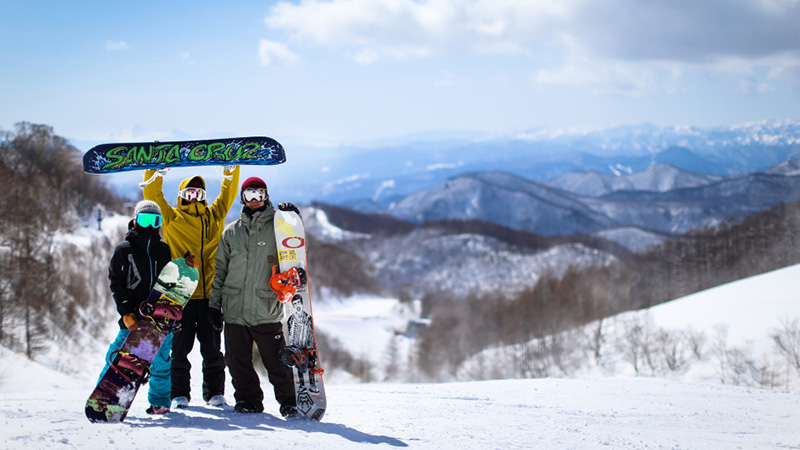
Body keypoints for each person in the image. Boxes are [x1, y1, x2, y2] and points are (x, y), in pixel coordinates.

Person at [142, 165, 240, 408]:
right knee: (180, 350)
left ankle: (215, 394)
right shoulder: (172, 218)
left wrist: (231, 171)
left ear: (204, 196)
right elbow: (154, 197)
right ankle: (179, 395)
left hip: (210, 296)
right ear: (181, 195)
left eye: (198, 192)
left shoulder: (214, 216)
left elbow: (228, 195)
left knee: (213, 351)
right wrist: (154, 174)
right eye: (189, 192)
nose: (194, 196)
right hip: (180, 296)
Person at [209, 176, 298, 416]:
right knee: (237, 362)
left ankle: (290, 401)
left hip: (265, 307)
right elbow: (220, 272)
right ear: (242, 198)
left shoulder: (278, 228)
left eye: (259, 194)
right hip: (234, 308)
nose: (255, 199)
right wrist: (214, 306)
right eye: (249, 195)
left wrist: (293, 222)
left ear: (266, 196)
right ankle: (248, 400)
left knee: (276, 362)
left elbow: (297, 251)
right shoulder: (231, 232)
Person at [100, 200, 173, 415]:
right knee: (120, 356)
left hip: (158, 317)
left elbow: (169, 283)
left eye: (155, 220)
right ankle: (105, 397)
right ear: (135, 221)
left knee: (161, 360)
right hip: (133, 316)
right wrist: (126, 312)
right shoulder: (125, 250)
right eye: (145, 219)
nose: (150, 226)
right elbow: (116, 282)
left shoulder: (163, 250)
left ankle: (159, 402)